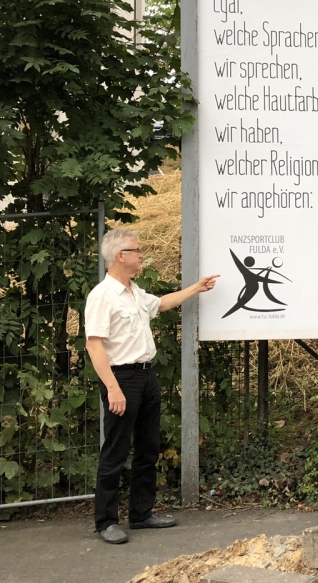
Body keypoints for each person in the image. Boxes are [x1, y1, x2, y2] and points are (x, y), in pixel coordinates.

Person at [85, 229, 218, 545]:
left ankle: (141, 514)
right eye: (137, 250)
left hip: (146, 376)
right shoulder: (102, 296)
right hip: (121, 379)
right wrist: (113, 388)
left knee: (148, 447)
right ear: (120, 256)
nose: (141, 255)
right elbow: (94, 345)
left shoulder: (134, 292)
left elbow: (162, 303)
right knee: (116, 451)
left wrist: (197, 288)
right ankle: (106, 522)